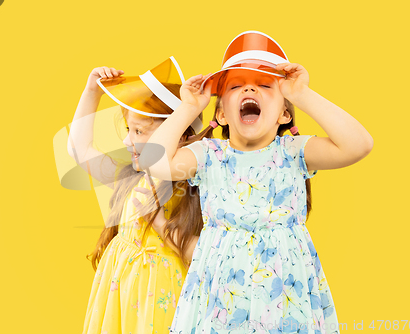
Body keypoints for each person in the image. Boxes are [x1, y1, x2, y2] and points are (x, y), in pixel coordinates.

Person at [140, 31, 373, 333]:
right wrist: (188, 108)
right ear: (222, 113)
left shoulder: (293, 152)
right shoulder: (209, 155)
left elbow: (360, 144)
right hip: (220, 296)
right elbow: (153, 162)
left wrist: (302, 94)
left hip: (284, 294)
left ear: (283, 113)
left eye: (265, 85)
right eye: (236, 85)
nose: (250, 87)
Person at [67, 57, 203, 334]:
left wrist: (161, 225)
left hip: (164, 301)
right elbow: (78, 149)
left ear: (177, 135)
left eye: (139, 131)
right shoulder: (132, 175)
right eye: (129, 129)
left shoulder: (195, 187)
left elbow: (205, 253)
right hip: (120, 295)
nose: (127, 140)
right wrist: (92, 91)